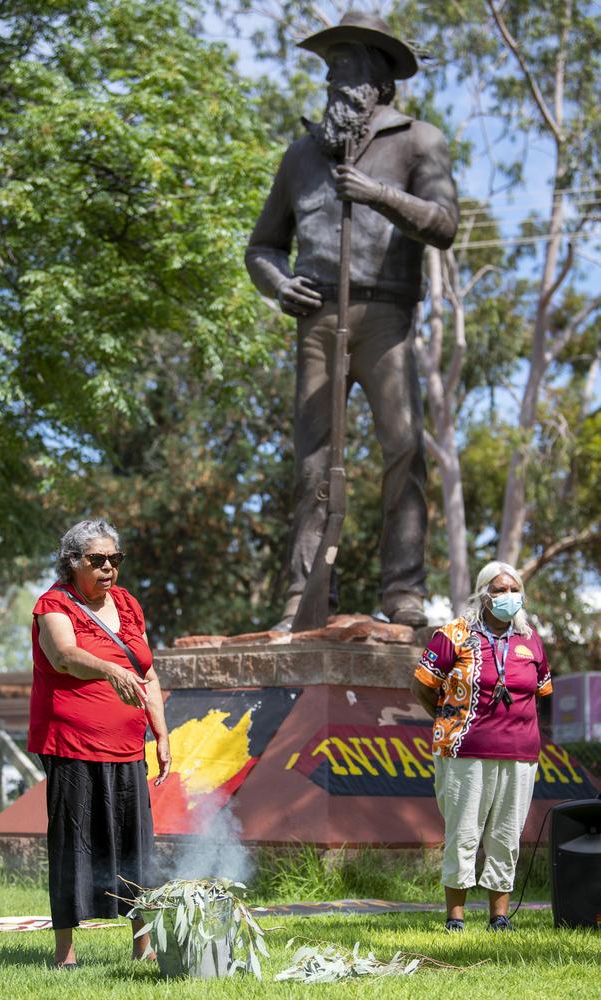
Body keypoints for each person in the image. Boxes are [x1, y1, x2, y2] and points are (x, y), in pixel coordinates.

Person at [245, 10, 459, 629]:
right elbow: (261, 246)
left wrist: (377, 194)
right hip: (317, 319)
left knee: (404, 447)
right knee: (312, 460)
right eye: (330, 65)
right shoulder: (301, 156)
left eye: (350, 64)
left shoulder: (421, 140)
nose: (336, 77)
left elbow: (444, 226)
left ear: (380, 79)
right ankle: (304, 599)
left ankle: (403, 595)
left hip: (386, 316)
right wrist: (279, 284)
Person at [28, 518, 171, 968]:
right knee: (75, 844)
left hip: (128, 746)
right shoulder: (53, 604)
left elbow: (147, 671)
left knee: (136, 847)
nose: (109, 568)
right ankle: (65, 955)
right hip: (72, 744)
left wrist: (161, 732)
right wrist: (112, 671)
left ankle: (142, 947)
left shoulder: (128, 604)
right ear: (73, 563)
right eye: (97, 559)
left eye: (115, 559)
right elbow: (63, 656)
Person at [411, 561, 553, 931]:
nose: (508, 596)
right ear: (483, 594)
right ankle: (455, 918)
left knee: (506, 835)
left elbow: (541, 691)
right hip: (465, 751)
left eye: (513, 589)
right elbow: (423, 686)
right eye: (499, 589)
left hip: (520, 755)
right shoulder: (453, 635)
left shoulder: (530, 640)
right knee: (463, 833)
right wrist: (447, 718)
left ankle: (499, 916)